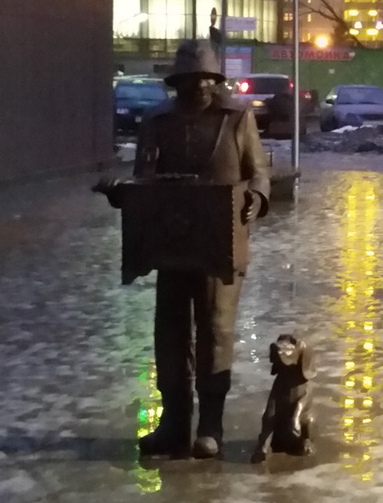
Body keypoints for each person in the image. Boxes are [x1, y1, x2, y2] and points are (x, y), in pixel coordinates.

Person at [114, 39, 269, 460]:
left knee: (216, 331)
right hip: (172, 244)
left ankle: (211, 425)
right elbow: (144, 178)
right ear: (177, 81)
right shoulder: (158, 120)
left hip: (221, 245)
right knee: (170, 333)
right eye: (190, 79)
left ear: (216, 80)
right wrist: (124, 194)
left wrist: (256, 197)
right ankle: (174, 423)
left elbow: (259, 172)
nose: (198, 86)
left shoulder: (236, 118)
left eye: (205, 78)